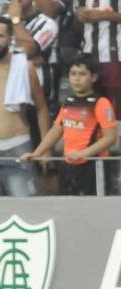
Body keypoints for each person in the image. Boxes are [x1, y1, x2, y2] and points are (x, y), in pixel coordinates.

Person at [0, 17, 49, 197]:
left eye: (0, 36)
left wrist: (45, 149)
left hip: (18, 147)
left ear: (10, 39)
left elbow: (41, 108)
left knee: (24, 210)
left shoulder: (25, 67)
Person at [21, 53, 118, 195]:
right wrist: (36, 153)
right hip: (68, 165)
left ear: (93, 77)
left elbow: (110, 138)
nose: (76, 79)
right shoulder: (68, 102)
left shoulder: (101, 103)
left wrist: (84, 153)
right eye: (73, 74)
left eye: (82, 74)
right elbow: (56, 130)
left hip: (94, 165)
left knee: (95, 209)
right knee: (67, 206)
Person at [76, 0, 121, 116]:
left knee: (114, 106)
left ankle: (116, 132)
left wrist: (105, 16)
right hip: (87, 54)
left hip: (115, 56)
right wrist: (79, 14)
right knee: (89, 104)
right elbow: (74, 17)